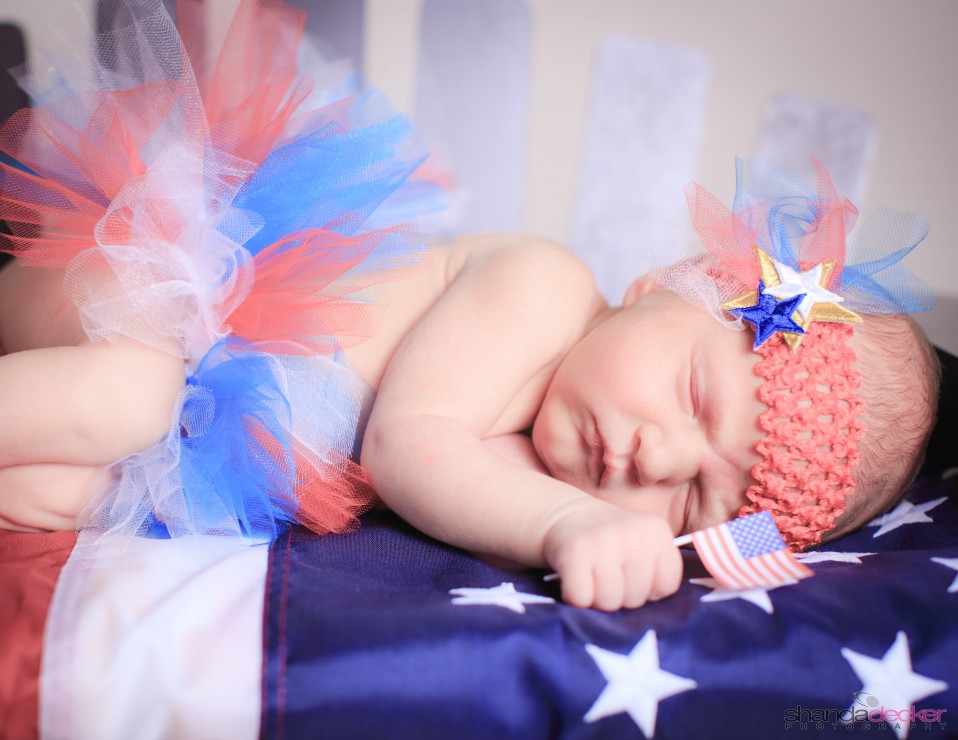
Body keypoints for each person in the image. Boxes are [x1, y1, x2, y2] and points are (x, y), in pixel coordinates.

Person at [0, 1, 940, 612]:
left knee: (71, 498)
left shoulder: (532, 453)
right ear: (665, 284)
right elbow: (408, 445)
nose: (657, 457)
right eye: (695, 397)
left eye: (693, 498)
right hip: (164, 306)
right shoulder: (545, 287)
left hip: (203, 446)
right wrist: (568, 525)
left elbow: (457, 489)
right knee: (131, 398)